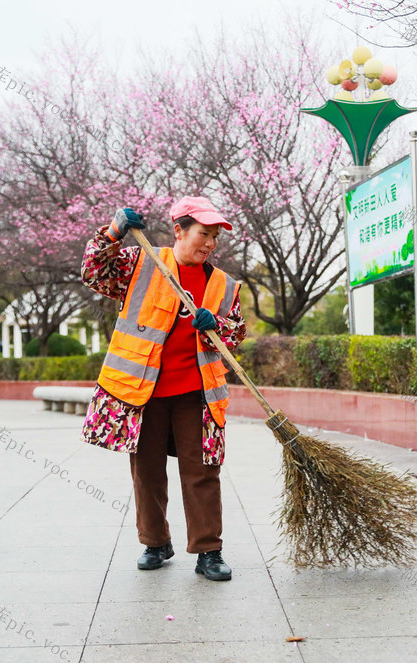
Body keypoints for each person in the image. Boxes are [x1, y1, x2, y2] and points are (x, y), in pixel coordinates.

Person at [80, 196, 246, 581]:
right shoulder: (142, 262)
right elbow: (93, 273)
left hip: (197, 393)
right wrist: (113, 233)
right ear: (179, 231)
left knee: (203, 471)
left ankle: (209, 551)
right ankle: (155, 543)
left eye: (215, 237)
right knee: (147, 471)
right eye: (204, 234)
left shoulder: (223, 285)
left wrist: (217, 325)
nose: (210, 244)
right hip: (143, 391)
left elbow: (236, 332)